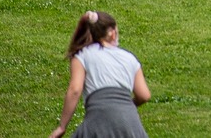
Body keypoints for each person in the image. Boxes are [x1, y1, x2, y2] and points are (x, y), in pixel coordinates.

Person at [47, 10, 150, 138]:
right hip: (130, 124)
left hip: (99, 121)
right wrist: (123, 106)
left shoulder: (82, 55)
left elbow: (75, 90)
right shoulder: (129, 58)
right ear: (112, 33)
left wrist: (62, 127)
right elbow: (144, 95)